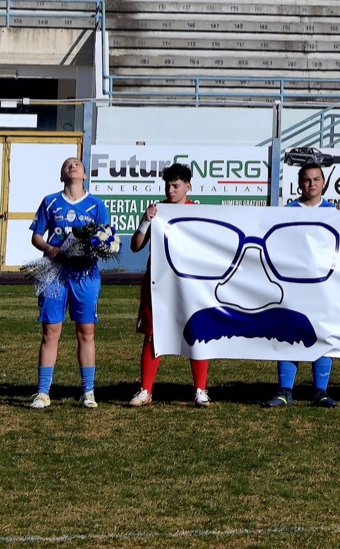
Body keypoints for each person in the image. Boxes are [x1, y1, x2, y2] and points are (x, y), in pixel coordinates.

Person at [29, 156, 111, 410]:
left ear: (84, 175)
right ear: (62, 175)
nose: (72, 166)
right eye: (67, 165)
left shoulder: (96, 205)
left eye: (76, 164)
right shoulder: (50, 201)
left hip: (84, 275)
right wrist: (49, 249)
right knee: (50, 331)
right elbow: (36, 236)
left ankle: (88, 392)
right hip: (53, 273)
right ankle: (43, 392)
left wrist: (96, 248)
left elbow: (106, 238)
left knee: (86, 332)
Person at [128, 163, 210, 408]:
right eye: (168, 185)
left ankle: (200, 389)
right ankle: (146, 390)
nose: (171, 190)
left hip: (190, 284)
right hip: (158, 282)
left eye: (176, 185)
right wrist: (145, 221)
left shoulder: (198, 211)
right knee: (153, 335)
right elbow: (135, 246)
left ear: (188, 186)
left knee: (197, 333)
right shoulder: (157, 211)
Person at [265, 162, 340, 408]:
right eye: (307, 180)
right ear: (299, 184)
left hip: (324, 287)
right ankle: (284, 390)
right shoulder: (288, 211)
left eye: (316, 179)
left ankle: (320, 391)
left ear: (323, 182)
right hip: (294, 285)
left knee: (322, 333)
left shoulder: (334, 211)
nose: (312, 184)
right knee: (288, 333)